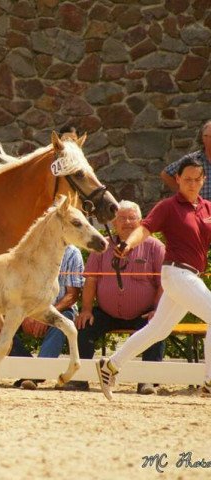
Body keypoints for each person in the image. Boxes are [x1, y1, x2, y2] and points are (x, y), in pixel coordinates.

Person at [97, 157, 211, 400]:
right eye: (187, 179)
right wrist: (127, 244)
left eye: (196, 179)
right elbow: (145, 228)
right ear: (178, 179)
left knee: (158, 330)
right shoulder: (169, 206)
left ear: (203, 180)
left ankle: (110, 365)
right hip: (176, 273)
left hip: (191, 276)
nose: (192, 184)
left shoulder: (207, 208)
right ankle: (210, 382)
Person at [59, 200, 165, 395]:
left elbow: (163, 284)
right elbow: (90, 280)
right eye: (121, 218)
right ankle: (81, 380)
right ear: (114, 223)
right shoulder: (102, 246)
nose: (127, 222)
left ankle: (148, 381)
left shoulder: (155, 247)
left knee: (156, 327)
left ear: (141, 221)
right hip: (106, 312)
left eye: (131, 218)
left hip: (144, 312)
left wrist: (157, 310)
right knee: (83, 325)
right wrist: (86, 310)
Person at [9, 245, 85, 389]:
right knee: (0, 324)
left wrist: (47, 313)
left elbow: (72, 295)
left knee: (63, 322)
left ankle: (36, 375)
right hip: (27, 308)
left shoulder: (72, 253)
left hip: (60, 308)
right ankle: (31, 369)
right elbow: (19, 288)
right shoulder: (29, 248)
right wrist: (28, 314)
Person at [161, 120, 211, 198]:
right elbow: (166, 174)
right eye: (207, 136)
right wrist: (184, 195)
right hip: (198, 208)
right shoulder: (193, 159)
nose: (209, 140)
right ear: (203, 138)